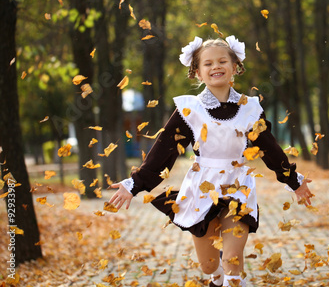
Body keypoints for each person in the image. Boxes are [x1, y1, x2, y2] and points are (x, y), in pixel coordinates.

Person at [109, 35, 313, 287]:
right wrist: (134, 185)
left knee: (231, 259)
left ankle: (232, 280)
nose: (215, 66)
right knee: (209, 265)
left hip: (238, 186)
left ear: (235, 66)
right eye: (207, 63)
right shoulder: (189, 110)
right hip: (201, 187)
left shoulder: (250, 109)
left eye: (222, 61)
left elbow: (271, 150)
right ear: (196, 72)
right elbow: (164, 151)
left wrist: (294, 181)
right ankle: (216, 280)